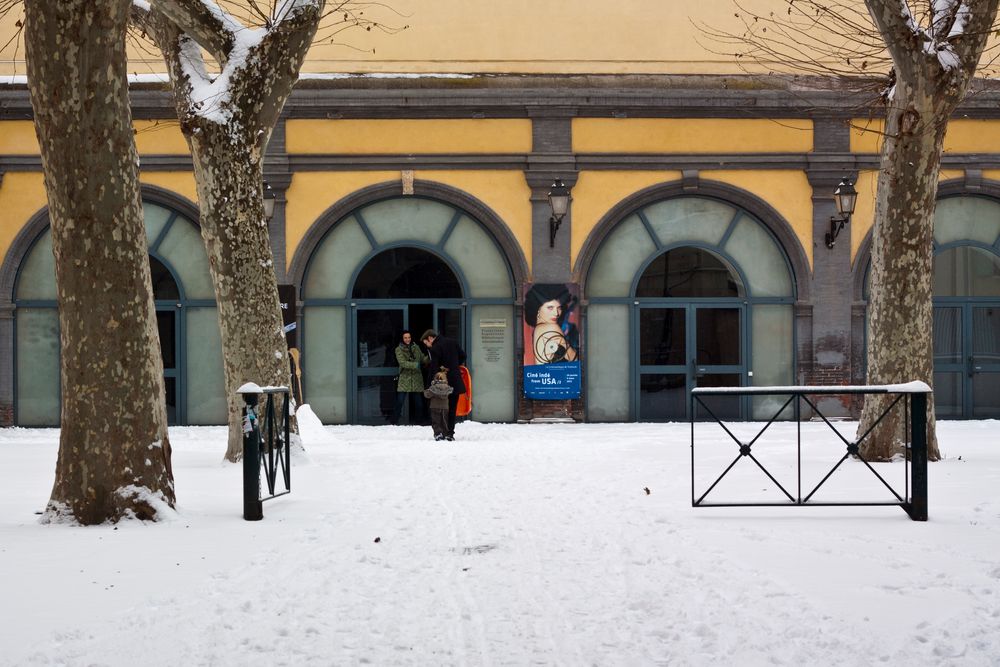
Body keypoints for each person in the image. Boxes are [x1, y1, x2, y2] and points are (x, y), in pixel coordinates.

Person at [420, 329, 466, 440]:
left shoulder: (435, 348)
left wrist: (428, 385)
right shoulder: (453, 342)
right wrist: (454, 366)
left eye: (426, 343)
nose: (427, 346)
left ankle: (440, 432)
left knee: (439, 408)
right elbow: (463, 356)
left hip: (442, 384)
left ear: (430, 338)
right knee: (452, 408)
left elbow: (434, 368)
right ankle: (450, 433)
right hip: (455, 380)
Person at [524, 284, 579, 365]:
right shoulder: (552, 327)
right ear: (538, 309)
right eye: (550, 308)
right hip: (557, 375)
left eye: (559, 308)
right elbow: (575, 360)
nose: (556, 313)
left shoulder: (538, 329)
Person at [394, 330, 427, 425]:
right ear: (402, 338)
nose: (407, 339)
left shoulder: (416, 347)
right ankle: (394, 422)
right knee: (399, 402)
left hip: (416, 378)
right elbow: (402, 363)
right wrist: (416, 365)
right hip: (405, 378)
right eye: (405, 337)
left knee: (419, 404)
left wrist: (429, 358)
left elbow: (422, 358)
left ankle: (419, 422)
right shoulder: (398, 349)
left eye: (409, 337)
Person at [423, 367, 453, 441]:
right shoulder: (447, 388)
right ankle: (445, 433)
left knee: (436, 421)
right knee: (444, 421)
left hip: (434, 407)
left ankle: (438, 434)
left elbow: (427, 395)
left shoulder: (433, 388)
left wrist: (426, 390)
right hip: (445, 407)